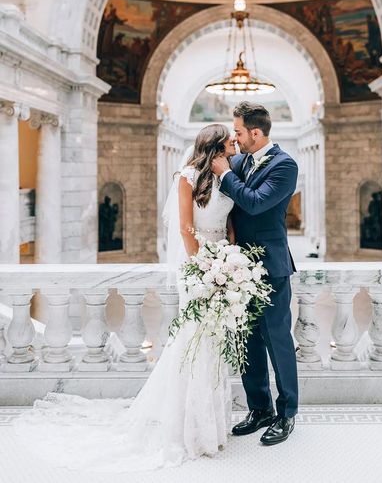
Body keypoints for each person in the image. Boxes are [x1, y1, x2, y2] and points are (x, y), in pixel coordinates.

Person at [14, 124, 236, 472]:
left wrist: (230, 259)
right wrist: (203, 268)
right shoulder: (188, 176)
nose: (235, 146)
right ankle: (188, 425)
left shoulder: (228, 176)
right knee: (195, 339)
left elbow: (229, 223)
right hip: (198, 269)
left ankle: (210, 421)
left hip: (224, 265)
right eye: (230, 142)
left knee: (213, 343)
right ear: (215, 147)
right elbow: (184, 228)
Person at [212, 101, 299, 446]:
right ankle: (258, 408)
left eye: (238, 132)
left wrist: (226, 175)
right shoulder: (239, 160)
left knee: (278, 341)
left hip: (272, 266)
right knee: (247, 341)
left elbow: (255, 202)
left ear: (256, 132)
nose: (235, 138)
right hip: (237, 268)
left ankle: (287, 413)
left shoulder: (284, 165)